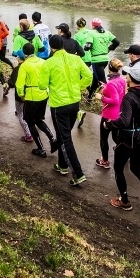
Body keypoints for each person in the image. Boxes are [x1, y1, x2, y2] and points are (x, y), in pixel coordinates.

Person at [104, 62, 140, 215]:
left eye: (127, 75)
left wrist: (109, 125)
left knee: (118, 168)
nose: (125, 76)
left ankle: (124, 201)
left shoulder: (129, 97)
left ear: (131, 79)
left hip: (128, 138)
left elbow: (124, 121)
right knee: (136, 168)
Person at [39, 35, 93, 186]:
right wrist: (79, 86)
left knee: (65, 138)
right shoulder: (75, 59)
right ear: (63, 44)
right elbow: (89, 75)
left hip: (59, 105)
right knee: (64, 135)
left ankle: (78, 173)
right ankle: (62, 166)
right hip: (74, 102)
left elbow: (42, 85)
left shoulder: (48, 63)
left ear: (51, 47)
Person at [16, 42, 58, 157]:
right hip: (43, 94)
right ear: (34, 51)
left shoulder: (24, 65)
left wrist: (21, 94)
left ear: (24, 53)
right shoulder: (43, 62)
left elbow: (19, 84)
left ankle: (41, 148)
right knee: (39, 119)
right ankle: (52, 139)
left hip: (31, 95)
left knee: (30, 121)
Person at [96, 58, 127, 169]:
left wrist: (102, 97)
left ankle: (104, 161)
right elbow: (121, 95)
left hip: (109, 115)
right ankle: (124, 153)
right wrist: (105, 86)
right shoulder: (122, 80)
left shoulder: (111, 83)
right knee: (116, 137)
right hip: (119, 113)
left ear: (109, 69)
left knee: (103, 139)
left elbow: (115, 100)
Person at [88, 18, 119, 99]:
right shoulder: (107, 33)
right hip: (105, 59)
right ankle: (90, 96)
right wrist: (109, 48)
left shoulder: (91, 33)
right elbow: (117, 42)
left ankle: (110, 98)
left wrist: (86, 48)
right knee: (95, 78)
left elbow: (88, 46)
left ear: (93, 25)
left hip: (96, 60)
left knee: (102, 82)